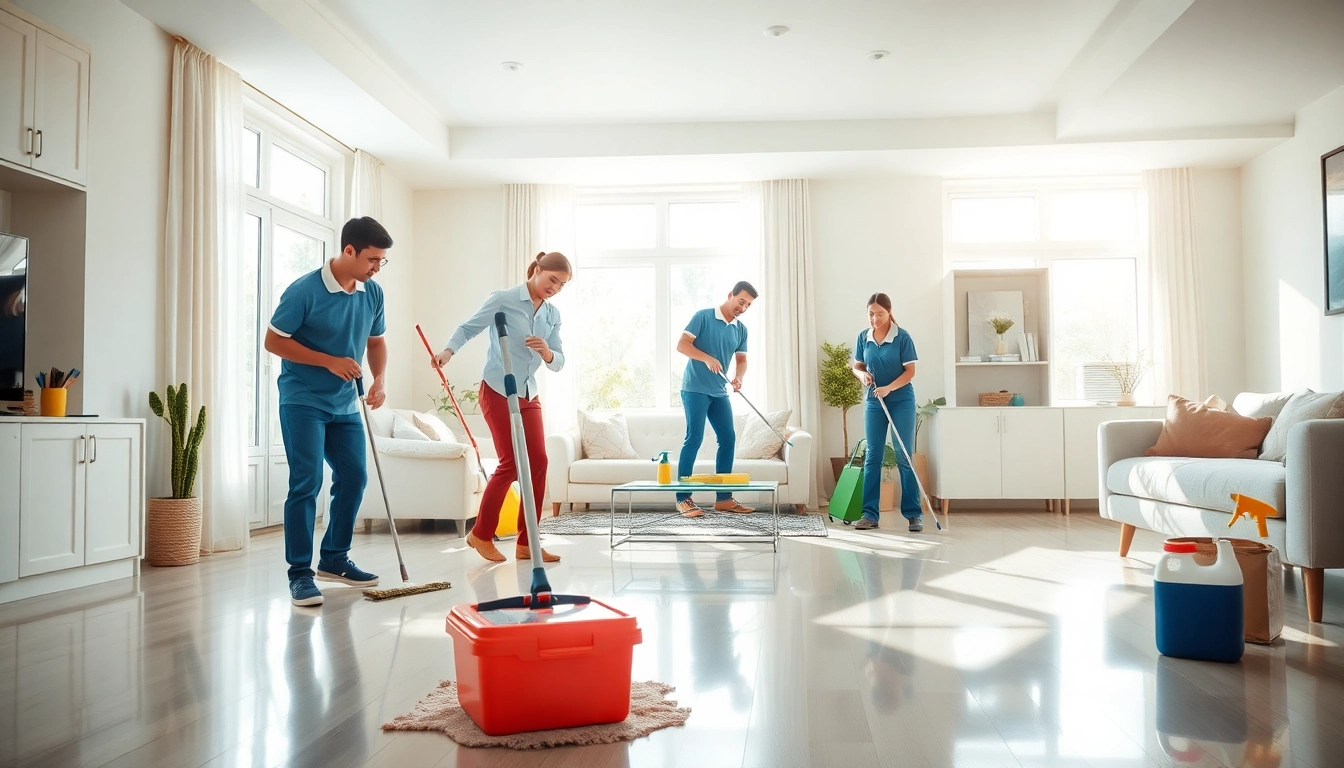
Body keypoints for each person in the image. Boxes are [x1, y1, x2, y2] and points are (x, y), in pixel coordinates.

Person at [265, 216, 393, 606]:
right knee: (306, 483)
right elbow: (274, 341)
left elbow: (375, 342)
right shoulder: (304, 290)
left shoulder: (372, 293)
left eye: (382, 261)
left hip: (345, 404)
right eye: (372, 259)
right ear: (348, 250)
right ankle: (300, 574)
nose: (376, 267)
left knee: (355, 477)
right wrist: (328, 361)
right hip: (303, 399)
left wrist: (380, 379)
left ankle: (334, 558)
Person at [435, 252, 570, 563]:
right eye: (552, 279)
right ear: (537, 270)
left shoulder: (552, 314)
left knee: (538, 463)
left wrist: (547, 352)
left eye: (562, 285)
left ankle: (527, 542)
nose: (555, 288)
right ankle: (480, 534)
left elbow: (559, 361)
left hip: (527, 391)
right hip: (497, 387)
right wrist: (447, 352)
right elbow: (469, 328)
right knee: (510, 463)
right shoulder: (505, 299)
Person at [674, 281, 757, 518]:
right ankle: (683, 499)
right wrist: (706, 358)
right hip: (695, 389)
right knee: (694, 438)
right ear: (731, 295)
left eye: (748, 305)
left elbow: (741, 360)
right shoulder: (703, 316)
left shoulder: (740, 330)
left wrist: (738, 378)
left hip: (719, 391)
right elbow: (682, 345)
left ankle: (724, 499)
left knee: (728, 439)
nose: (743, 307)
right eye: (741, 301)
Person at [850, 292, 923, 532]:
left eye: (879, 314)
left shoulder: (903, 337)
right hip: (874, 401)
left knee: (904, 455)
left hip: (901, 400)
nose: (874, 319)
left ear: (889, 312)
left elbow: (910, 372)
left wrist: (889, 388)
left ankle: (913, 514)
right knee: (873, 456)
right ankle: (870, 514)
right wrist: (863, 376)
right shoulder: (864, 336)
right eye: (871, 314)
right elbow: (857, 366)